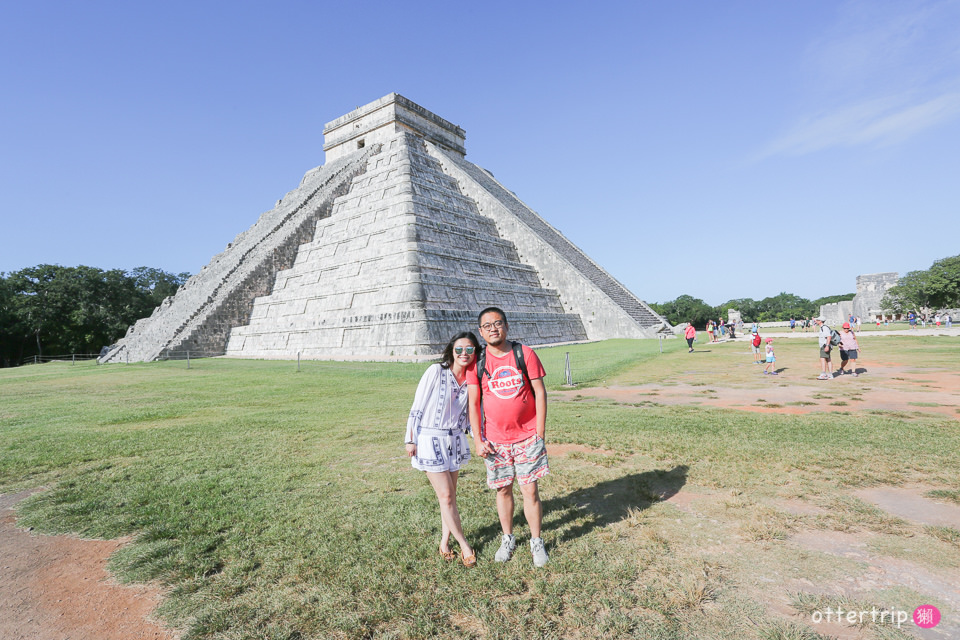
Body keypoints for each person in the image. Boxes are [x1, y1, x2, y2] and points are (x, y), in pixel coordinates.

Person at [468, 307, 550, 568]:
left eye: (498, 323)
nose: (493, 328)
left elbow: (540, 392)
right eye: (487, 325)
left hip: (527, 437)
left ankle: (536, 541)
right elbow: (473, 403)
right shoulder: (477, 361)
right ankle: (508, 538)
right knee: (503, 490)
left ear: (507, 326)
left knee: (530, 490)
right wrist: (478, 440)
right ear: (481, 332)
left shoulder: (524, 353)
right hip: (494, 440)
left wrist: (539, 432)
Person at [405, 332, 481, 567]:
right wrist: (410, 439)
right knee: (446, 496)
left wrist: (480, 437)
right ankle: (464, 545)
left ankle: (444, 542)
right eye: (459, 349)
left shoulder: (472, 380)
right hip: (430, 440)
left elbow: (470, 416)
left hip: (455, 442)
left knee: (448, 498)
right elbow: (417, 406)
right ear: (451, 350)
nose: (464, 354)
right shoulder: (436, 372)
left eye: (470, 349)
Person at [815, 316, 833, 380]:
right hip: (825, 345)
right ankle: (830, 374)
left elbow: (829, 336)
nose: (816, 321)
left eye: (817, 320)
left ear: (820, 321)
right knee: (828, 359)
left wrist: (827, 345)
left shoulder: (824, 328)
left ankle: (823, 374)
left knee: (822, 359)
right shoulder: (823, 327)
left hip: (825, 345)